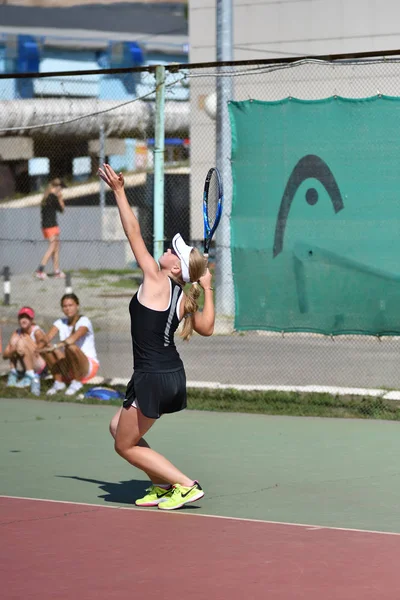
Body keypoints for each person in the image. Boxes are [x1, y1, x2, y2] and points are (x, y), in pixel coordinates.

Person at [98, 163, 215, 511]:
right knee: (117, 426)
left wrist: (120, 192)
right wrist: (207, 286)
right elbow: (207, 327)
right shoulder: (185, 296)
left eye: (171, 252)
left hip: (153, 376)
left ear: (175, 268)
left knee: (124, 444)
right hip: (165, 375)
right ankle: (162, 485)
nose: (164, 250)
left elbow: (134, 234)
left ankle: (185, 484)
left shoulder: (155, 278)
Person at [39, 293, 99, 396]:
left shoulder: (84, 321)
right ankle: (59, 382)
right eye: (65, 306)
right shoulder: (60, 322)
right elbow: (47, 338)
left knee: (70, 347)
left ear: (77, 306)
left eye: (70, 305)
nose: (68, 309)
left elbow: (72, 339)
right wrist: (39, 346)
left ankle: (77, 383)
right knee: (46, 348)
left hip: (87, 366)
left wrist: (55, 347)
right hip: (69, 364)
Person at [2, 307, 47, 392]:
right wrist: (14, 350)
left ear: (31, 319)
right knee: (16, 341)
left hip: (40, 366)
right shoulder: (17, 332)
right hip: (27, 364)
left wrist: (24, 346)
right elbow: (5, 355)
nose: (24, 320)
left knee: (23, 340)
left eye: (27, 317)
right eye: (22, 317)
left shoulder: (37, 332)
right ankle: (13, 374)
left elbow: (44, 351)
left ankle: (30, 376)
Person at [35, 177, 67, 279]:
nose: (61, 190)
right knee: (52, 247)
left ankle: (56, 271)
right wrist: (60, 197)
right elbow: (62, 209)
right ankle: (40, 270)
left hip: (48, 225)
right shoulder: (53, 197)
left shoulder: (46, 196)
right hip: (51, 225)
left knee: (56, 247)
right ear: (57, 187)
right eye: (61, 188)